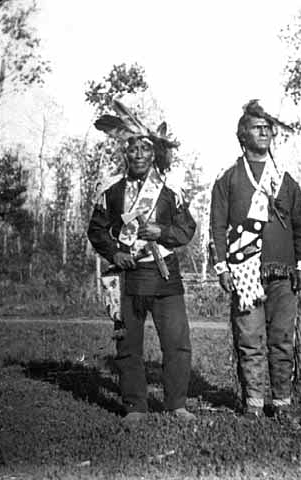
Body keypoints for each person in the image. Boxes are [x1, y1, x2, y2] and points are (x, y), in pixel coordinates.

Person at [88, 100, 196, 425]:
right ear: (124, 154)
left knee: (176, 342)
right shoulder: (111, 191)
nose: (137, 155)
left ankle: (176, 404)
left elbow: (187, 228)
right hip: (127, 277)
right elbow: (96, 229)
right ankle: (135, 406)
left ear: (154, 154)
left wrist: (162, 231)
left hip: (164, 275)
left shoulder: (169, 190)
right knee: (128, 344)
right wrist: (114, 252)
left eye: (144, 150)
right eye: (132, 149)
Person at [209, 100, 301, 419]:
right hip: (245, 273)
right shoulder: (228, 179)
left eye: (268, 127)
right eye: (257, 127)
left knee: (283, 338)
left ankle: (282, 402)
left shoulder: (285, 181)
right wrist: (222, 266)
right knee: (249, 337)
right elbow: (217, 225)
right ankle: (254, 402)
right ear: (242, 135)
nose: (265, 132)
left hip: (283, 273)